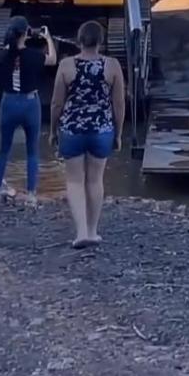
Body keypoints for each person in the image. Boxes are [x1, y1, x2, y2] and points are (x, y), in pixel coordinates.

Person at [49, 21, 124, 248]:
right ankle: (93, 231)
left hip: (72, 129)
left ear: (79, 40)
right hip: (101, 130)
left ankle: (81, 232)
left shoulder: (66, 65)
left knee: (74, 180)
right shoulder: (112, 66)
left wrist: (53, 130)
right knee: (95, 180)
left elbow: (56, 103)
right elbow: (119, 103)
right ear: (101, 41)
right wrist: (118, 133)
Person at [0, 16, 57, 205]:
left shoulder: (2, 55)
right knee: (32, 151)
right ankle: (30, 194)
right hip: (30, 103)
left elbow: (7, 52)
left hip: (9, 102)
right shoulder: (34, 55)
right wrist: (47, 38)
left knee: (3, 149)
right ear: (26, 33)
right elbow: (52, 60)